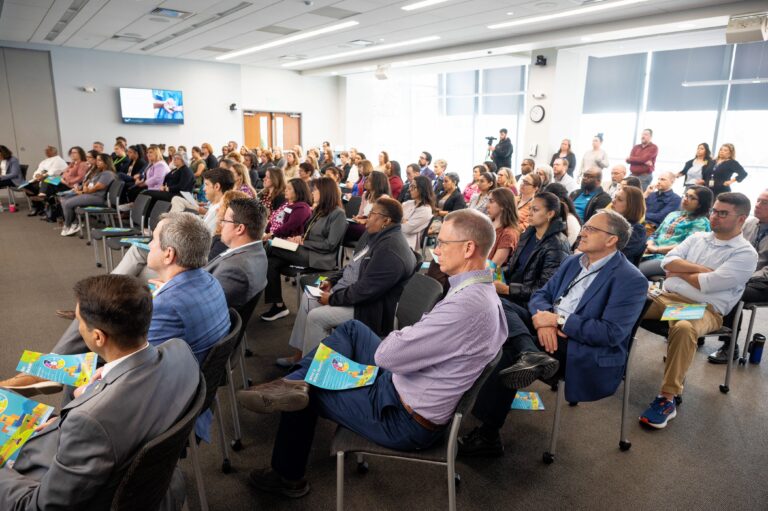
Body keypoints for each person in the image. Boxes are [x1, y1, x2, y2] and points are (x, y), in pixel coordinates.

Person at [238, 209, 507, 498]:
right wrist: (411, 336)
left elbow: (387, 357)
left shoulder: (466, 306)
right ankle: (296, 380)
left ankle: (287, 476)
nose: (436, 249)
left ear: (468, 248)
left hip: (403, 418)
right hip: (404, 389)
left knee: (308, 393)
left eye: (442, 243)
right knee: (352, 330)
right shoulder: (481, 292)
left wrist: (407, 336)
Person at [0, 274, 199, 510]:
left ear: (98, 337)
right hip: (149, 483)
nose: (77, 327)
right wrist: (96, 390)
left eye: (78, 321)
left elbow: (38, 507)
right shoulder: (181, 353)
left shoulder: (90, 422)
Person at [460, 209, 647, 456]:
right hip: (546, 329)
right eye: (585, 227)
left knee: (505, 345)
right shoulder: (573, 261)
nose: (583, 231)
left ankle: (488, 434)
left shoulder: (631, 279)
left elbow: (611, 333)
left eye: (591, 229)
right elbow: (541, 295)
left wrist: (558, 320)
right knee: (492, 302)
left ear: (612, 239)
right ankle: (529, 351)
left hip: (580, 346)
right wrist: (544, 321)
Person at [639, 193, 757, 429]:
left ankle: (667, 398)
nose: (714, 216)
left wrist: (681, 272)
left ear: (741, 218)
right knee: (627, 301)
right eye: (714, 210)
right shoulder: (697, 238)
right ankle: (606, 364)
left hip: (702, 310)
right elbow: (667, 263)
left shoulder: (745, 253)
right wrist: (701, 271)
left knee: (682, 328)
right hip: (667, 298)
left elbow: (710, 283)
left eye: (723, 213)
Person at [281, 198, 418, 364]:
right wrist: (332, 280)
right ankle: (300, 357)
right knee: (309, 297)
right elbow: (353, 265)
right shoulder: (375, 236)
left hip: (371, 309)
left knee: (316, 317)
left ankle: (311, 374)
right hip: (355, 295)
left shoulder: (390, 250)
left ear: (386, 221)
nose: (367, 217)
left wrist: (332, 299)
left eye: (372, 213)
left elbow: (366, 290)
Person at [261, 177, 347, 321]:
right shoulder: (318, 211)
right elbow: (307, 233)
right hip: (306, 251)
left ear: (325, 192)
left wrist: (303, 243)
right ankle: (279, 305)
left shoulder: (338, 214)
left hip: (320, 257)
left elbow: (330, 245)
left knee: (271, 246)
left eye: (315, 190)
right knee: (271, 262)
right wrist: (298, 238)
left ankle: (251, 274)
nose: (312, 193)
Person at [708, 189, 768, 363]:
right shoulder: (748, 223)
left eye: (764, 203)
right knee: (708, 281)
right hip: (741, 273)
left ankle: (730, 346)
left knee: (732, 290)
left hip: (763, 282)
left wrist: (741, 276)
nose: (757, 205)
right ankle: (697, 329)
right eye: (758, 200)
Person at [494, 192, 571, 306]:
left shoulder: (557, 245)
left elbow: (544, 289)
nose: (529, 214)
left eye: (535, 210)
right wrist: (496, 272)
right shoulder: (529, 234)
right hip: (512, 291)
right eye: (529, 209)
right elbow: (512, 267)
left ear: (550, 214)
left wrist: (507, 289)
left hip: (529, 302)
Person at [206, 197, 269, 311]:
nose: (221, 225)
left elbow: (204, 306)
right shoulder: (258, 252)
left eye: (225, 221)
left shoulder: (234, 270)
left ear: (240, 228)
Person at [638, 186, 713, 279]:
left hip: (670, 260)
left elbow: (686, 247)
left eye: (692, 198)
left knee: (634, 272)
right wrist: (649, 244)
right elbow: (655, 234)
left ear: (701, 204)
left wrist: (657, 249)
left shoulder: (700, 222)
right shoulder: (673, 214)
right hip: (650, 252)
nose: (686, 199)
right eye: (686, 195)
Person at [59, 153, 117, 237]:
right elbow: (87, 183)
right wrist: (83, 189)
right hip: (91, 194)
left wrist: (83, 191)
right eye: (96, 160)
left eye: (99, 160)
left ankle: (68, 225)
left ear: (106, 162)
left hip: (97, 197)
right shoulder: (99, 172)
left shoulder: (108, 174)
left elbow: (94, 188)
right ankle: (74, 223)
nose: (97, 162)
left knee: (68, 203)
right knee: (64, 199)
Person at [346, 170, 391, 243]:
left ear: (377, 183)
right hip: (363, 225)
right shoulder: (365, 195)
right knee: (344, 225)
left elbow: (379, 221)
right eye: (366, 178)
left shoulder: (384, 198)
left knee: (344, 228)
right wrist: (358, 217)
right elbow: (360, 214)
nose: (365, 181)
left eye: (369, 180)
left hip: (373, 228)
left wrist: (364, 220)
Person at [611, 185, 647, 265]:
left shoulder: (637, 230)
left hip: (616, 270)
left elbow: (617, 255)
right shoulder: (608, 221)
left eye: (619, 199)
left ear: (631, 205)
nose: (613, 201)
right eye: (615, 197)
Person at [487, 187, 520, 269]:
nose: (487, 205)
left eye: (491, 201)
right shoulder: (486, 224)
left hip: (489, 277)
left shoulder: (509, 233)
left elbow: (492, 267)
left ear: (503, 205)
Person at [400, 175, 435, 251]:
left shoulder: (425, 210)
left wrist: (401, 220)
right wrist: (403, 221)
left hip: (407, 244)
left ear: (422, 189)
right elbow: (395, 216)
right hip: (399, 237)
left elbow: (406, 228)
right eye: (410, 186)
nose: (410, 189)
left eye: (413, 187)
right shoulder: (408, 203)